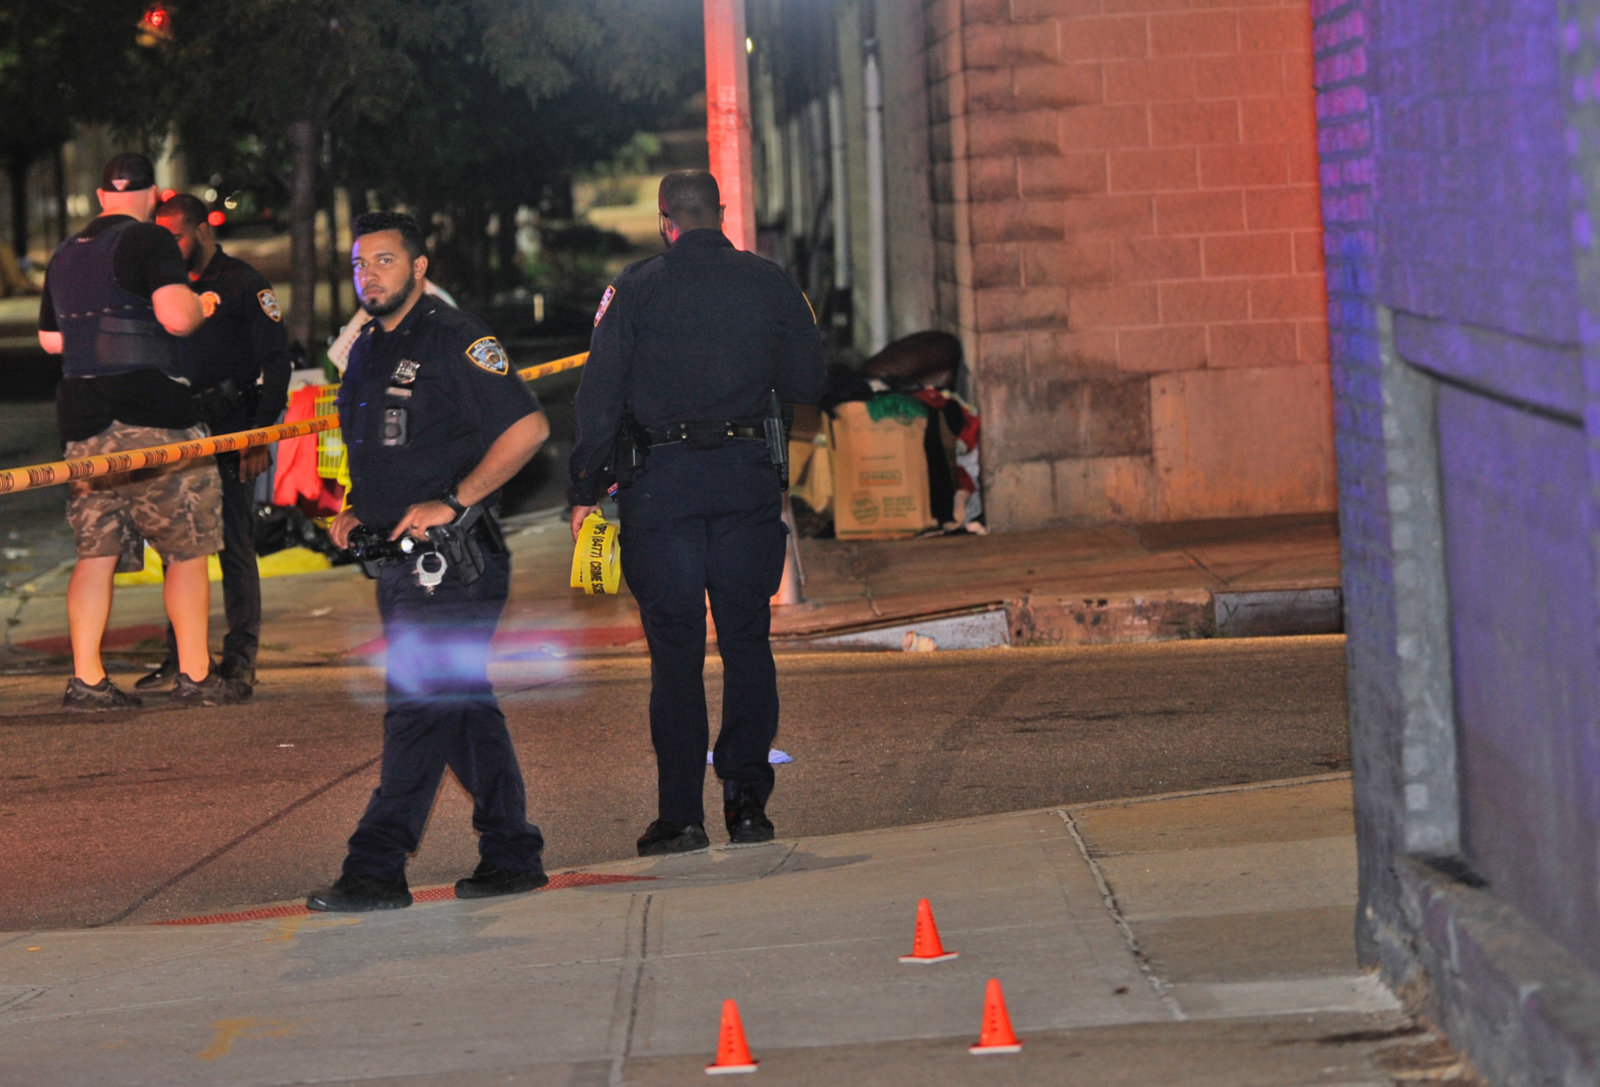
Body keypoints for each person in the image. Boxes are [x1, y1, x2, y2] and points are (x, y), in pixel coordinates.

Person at [568, 170, 826, 856]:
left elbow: (597, 399)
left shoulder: (636, 288)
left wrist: (585, 486)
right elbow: (808, 381)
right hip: (743, 484)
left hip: (663, 491)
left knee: (676, 657)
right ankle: (747, 804)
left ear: (666, 220)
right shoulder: (769, 282)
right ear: (721, 214)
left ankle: (681, 816)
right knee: (747, 644)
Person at [306, 211, 550, 911]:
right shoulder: (364, 350)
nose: (369, 274)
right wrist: (354, 511)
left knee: (416, 712)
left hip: (452, 564)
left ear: (419, 268)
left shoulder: (455, 337)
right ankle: (511, 852)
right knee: (464, 711)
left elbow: (529, 428)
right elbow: (383, 454)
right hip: (397, 565)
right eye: (359, 263)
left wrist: (454, 500)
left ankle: (375, 868)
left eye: (384, 261)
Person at [36, 152, 241, 711]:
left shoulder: (64, 253)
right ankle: (196, 677)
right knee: (186, 548)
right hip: (155, 422)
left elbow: (53, 343)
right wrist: (202, 304)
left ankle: (88, 678)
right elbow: (175, 318)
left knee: (95, 554)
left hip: (83, 425)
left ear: (102, 197)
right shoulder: (148, 241)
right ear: (155, 195)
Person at [132, 192, 291, 695]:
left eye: (176, 235)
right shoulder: (165, 289)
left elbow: (278, 361)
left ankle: (240, 657)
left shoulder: (243, 282)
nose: (169, 245)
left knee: (236, 546)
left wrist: (260, 433)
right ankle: (183, 655)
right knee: (179, 547)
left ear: (202, 230)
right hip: (180, 428)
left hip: (232, 426)